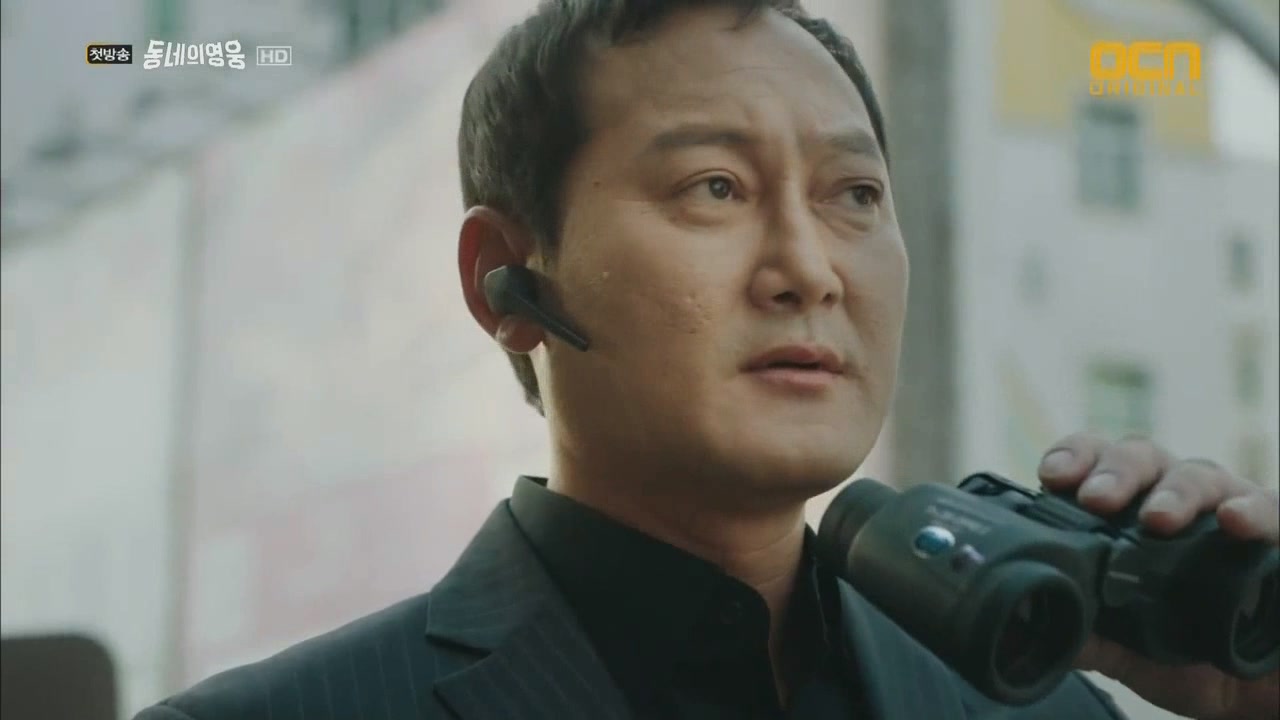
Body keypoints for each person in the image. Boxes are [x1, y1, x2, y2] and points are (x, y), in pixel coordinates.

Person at [134, 1, 1280, 719]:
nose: (807, 269)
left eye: (853, 195)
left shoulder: (1038, 706)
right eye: (713, 188)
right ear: (506, 280)